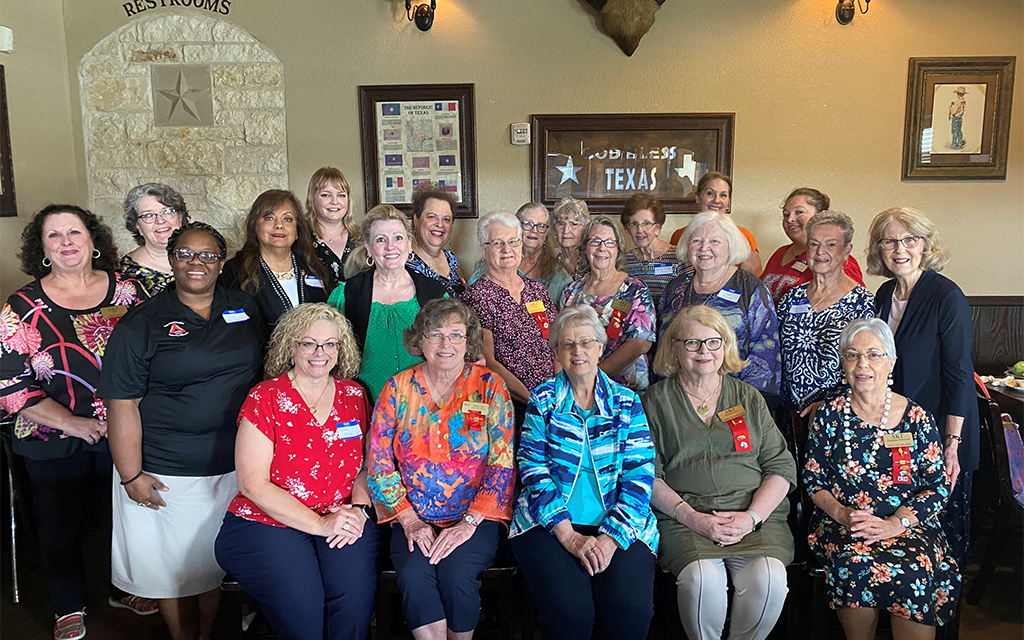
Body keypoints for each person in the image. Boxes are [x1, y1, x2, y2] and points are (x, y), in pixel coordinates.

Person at [100, 222, 265, 640]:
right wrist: (131, 475)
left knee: (210, 565)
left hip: (235, 465)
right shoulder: (141, 323)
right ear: (172, 260)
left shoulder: (244, 307)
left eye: (208, 255)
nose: (197, 262)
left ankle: (204, 633)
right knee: (172, 568)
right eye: (187, 254)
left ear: (221, 262)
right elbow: (122, 405)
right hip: (165, 469)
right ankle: (181, 636)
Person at [0, 205, 152, 640]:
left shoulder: (129, 292)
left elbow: (157, 353)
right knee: (59, 524)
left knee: (124, 519)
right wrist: (73, 422)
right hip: (51, 433)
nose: (66, 242)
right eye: (54, 236)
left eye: (74, 232)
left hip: (125, 429)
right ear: (42, 249)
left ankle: (124, 588)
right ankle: (68, 604)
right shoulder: (22, 306)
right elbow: (10, 385)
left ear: (93, 240)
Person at [215, 303, 377, 640]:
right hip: (268, 521)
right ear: (291, 346)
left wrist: (360, 510)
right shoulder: (266, 396)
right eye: (309, 343)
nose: (320, 353)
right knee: (304, 606)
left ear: (341, 349)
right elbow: (252, 483)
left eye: (330, 344)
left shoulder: (355, 394)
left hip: (342, 514)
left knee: (352, 602)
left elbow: (367, 466)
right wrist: (319, 524)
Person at [644, 306, 796, 640]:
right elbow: (647, 477)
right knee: (702, 582)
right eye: (692, 343)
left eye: (714, 342)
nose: (704, 352)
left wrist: (752, 517)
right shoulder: (653, 402)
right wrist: (695, 519)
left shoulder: (748, 397)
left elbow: (780, 467)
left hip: (756, 520)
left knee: (768, 580)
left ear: (726, 346)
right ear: (674, 347)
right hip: (685, 519)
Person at [369, 298, 516, 640]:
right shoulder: (397, 388)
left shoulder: (489, 385)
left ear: (468, 341)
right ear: (419, 340)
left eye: (455, 335)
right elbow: (378, 462)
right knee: (414, 577)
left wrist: (469, 523)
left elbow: (503, 460)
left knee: (456, 575)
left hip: (475, 516)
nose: (446, 344)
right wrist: (409, 520)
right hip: (411, 516)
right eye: (435, 335)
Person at [510, 305, 659, 640]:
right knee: (571, 617)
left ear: (600, 347)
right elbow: (533, 469)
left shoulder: (627, 402)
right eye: (568, 344)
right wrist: (569, 536)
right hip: (548, 523)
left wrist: (609, 540)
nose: (578, 351)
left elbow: (640, 477)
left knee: (629, 613)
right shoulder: (544, 399)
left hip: (620, 523)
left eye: (586, 342)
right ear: (557, 351)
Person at [804, 319, 960, 637]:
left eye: (874, 354)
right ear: (842, 362)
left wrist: (896, 524)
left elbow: (937, 485)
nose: (863, 364)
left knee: (914, 567)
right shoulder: (829, 414)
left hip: (909, 526)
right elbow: (813, 478)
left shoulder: (916, 417)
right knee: (853, 563)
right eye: (852, 355)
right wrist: (842, 514)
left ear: (891, 361)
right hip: (846, 524)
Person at [868, 207, 977, 567]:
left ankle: (935, 608)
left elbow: (960, 373)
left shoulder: (947, 295)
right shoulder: (884, 294)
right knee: (897, 525)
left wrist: (952, 444)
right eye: (889, 240)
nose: (900, 248)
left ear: (925, 244)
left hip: (943, 428)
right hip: (899, 429)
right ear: (878, 248)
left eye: (909, 239)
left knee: (936, 533)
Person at [328, 204, 447, 400]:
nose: (390, 246)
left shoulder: (435, 294)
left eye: (398, 238)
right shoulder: (346, 294)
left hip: (425, 407)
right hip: (364, 406)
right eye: (381, 240)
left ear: (409, 244)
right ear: (368, 247)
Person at [659, 211, 781, 400]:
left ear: (730, 246)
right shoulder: (675, 288)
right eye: (696, 240)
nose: (704, 248)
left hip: (736, 398)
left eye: (715, 241)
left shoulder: (750, 288)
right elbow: (664, 347)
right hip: (679, 397)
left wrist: (745, 400)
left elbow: (765, 351)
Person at [462, 211, 557, 420]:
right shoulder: (477, 296)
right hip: (510, 405)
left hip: (553, 401)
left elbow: (556, 343)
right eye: (497, 243)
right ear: (483, 251)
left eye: (513, 241)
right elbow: (488, 360)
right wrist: (533, 400)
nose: (507, 249)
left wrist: (560, 392)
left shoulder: (537, 290)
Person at [778, 211, 874, 412]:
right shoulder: (791, 298)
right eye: (814, 244)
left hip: (837, 416)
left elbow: (869, 368)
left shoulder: (863, 303)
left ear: (847, 250)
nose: (820, 251)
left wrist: (831, 407)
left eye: (831, 244)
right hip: (787, 415)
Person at [560, 216, 656, 392]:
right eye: (595, 241)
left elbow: (640, 343)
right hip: (577, 390)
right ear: (585, 248)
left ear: (618, 249)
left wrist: (593, 377)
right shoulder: (571, 291)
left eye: (610, 242)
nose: (602, 248)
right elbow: (560, 341)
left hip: (625, 391)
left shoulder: (635, 290)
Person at [220, 189, 330, 329]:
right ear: (254, 225)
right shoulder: (235, 271)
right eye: (269, 218)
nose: (279, 225)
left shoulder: (314, 267)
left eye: (287, 219)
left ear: (297, 229)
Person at [761, 188, 864, 305]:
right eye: (786, 214)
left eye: (799, 212)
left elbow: (854, 303)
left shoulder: (836, 259)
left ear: (821, 215)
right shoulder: (779, 253)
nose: (790, 219)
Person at [468, 202, 572, 304]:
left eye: (541, 225)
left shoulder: (558, 275)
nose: (534, 230)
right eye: (527, 224)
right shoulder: (494, 262)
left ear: (546, 234)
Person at [669, 172, 761, 275]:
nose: (716, 200)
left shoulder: (744, 237)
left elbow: (752, 285)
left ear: (728, 201)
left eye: (723, 195)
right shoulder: (679, 235)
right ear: (697, 197)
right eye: (710, 193)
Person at [119, 183, 189, 296]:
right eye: (148, 215)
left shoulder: (206, 259)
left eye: (167, 212)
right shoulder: (124, 275)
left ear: (180, 216)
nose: (160, 220)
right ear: (136, 225)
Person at [620, 193, 683, 307]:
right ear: (628, 229)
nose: (639, 230)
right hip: (636, 323)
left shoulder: (678, 257)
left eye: (646, 223)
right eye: (634, 224)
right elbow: (620, 300)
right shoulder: (623, 261)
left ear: (657, 228)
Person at [406, 185, 466, 297]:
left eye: (446, 219)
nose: (440, 224)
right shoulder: (403, 262)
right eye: (432, 217)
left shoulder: (451, 258)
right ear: (416, 220)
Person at [305, 167, 360, 284]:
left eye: (341, 195)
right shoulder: (300, 239)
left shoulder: (362, 238)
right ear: (312, 199)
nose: (334, 201)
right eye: (326, 195)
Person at [552, 197, 591, 280]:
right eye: (561, 224)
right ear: (554, 229)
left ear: (584, 229)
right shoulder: (550, 258)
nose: (566, 231)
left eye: (574, 224)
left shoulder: (591, 258)